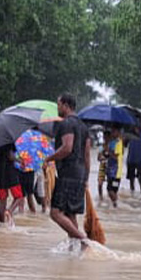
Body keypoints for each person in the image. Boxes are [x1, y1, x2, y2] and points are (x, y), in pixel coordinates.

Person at [46, 93, 90, 242]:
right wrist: (85, 178)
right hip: (80, 174)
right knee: (71, 214)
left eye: (58, 105)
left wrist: (49, 158)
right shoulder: (84, 127)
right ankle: (75, 249)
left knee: (55, 213)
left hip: (68, 174)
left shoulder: (66, 124)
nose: (57, 108)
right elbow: (87, 156)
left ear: (65, 105)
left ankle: (83, 240)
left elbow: (67, 148)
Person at [0, 142, 22, 225]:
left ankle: (1, 223)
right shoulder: (8, 141)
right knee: (19, 197)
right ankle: (9, 211)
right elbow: (10, 156)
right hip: (9, 174)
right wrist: (19, 160)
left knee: (2, 199)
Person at [103, 126, 124, 207]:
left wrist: (108, 151)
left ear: (118, 132)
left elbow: (116, 157)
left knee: (111, 190)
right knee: (111, 190)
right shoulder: (111, 142)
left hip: (116, 172)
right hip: (110, 171)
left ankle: (116, 205)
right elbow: (107, 155)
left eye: (114, 131)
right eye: (112, 131)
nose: (112, 133)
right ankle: (115, 206)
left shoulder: (119, 143)